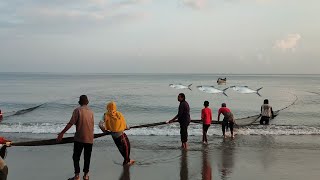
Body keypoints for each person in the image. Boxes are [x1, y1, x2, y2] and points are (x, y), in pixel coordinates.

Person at [57, 95, 94, 180]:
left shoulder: (77, 110)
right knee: (87, 157)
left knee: (76, 157)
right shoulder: (91, 112)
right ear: (87, 102)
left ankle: (77, 176)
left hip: (79, 138)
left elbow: (70, 123)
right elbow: (91, 126)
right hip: (90, 138)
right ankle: (86, 175)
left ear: (79, 102)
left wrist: (62, 133)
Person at [99, 101, 135, 166]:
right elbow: (124, 123)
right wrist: (127, 127)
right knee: (126, 147)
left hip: (114, 135)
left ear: (108, 107)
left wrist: (105, 131)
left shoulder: (105, 115)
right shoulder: (119, 114)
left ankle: (127, 160)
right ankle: (126, 162)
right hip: (120, 134)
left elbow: (100, 125)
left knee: (122, 148)